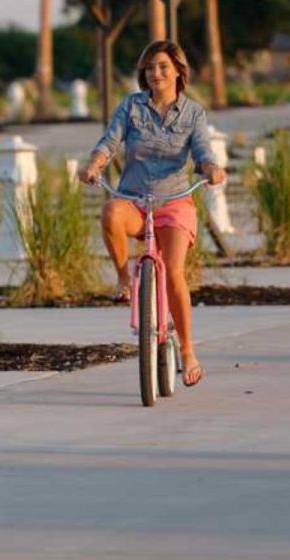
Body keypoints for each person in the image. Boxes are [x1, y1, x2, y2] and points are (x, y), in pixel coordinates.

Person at [78, 40, 226, 387]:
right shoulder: (130, 107)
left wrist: (210, 168)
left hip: (174, 202)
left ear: (178, 70)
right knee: (111, 212)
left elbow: (202, 150)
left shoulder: (193, 114)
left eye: (162, 66)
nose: (155, 73)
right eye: (149, 68)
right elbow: (109, 143)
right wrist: (94, 166)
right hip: (134, 200)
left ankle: (188, 350)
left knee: (174, 271)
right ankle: (124, 278)